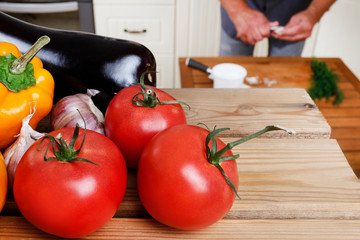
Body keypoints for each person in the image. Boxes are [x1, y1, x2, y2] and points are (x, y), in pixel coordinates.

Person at [220, 0, 337, 56]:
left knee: (283, 80)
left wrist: (313, 13)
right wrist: (238, 10)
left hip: (294, 7)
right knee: (228, 76)